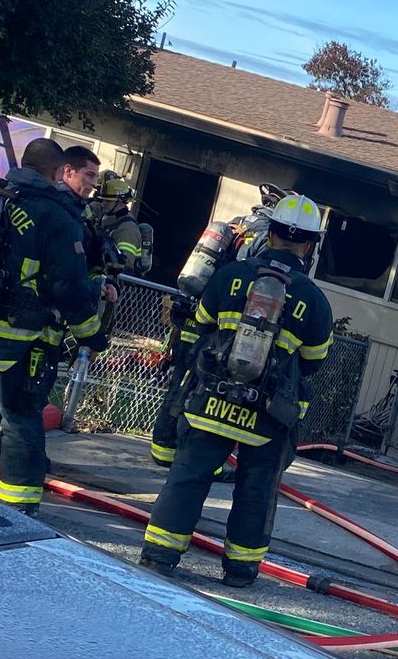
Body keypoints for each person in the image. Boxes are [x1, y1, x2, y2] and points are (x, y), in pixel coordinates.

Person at [140, 195, 332, 585]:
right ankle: (240, 570)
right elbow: (313, 361)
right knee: (256, 490)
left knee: (188, 476)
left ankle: (160, 556)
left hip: (211, 399)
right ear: (310, 244)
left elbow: (202, 325)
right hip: (268, 414)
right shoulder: (314, 300)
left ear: (271, 233)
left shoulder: (231, 275)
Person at [0, 139, 107, 513]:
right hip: (19, 341)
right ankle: (18, 511)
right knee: (20, 421)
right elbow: (68, 285)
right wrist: (91, 334)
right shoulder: (57, 216)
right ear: (56, 172)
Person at [148, 182, 295, 471]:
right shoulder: (265, 237)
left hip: (194, 315)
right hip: (216, 326)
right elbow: (247, 282)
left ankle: (164, 448)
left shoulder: (236, 226)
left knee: (182, 380)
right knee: (203, 388)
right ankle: (187, 454)